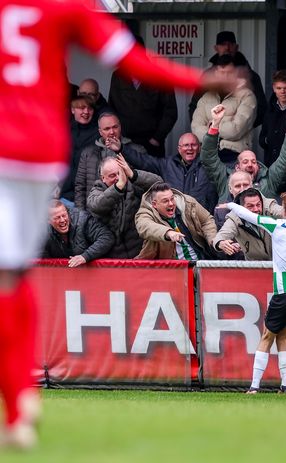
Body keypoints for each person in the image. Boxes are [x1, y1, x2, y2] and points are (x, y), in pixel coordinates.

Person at [0, 0, 215, 449]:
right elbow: (134, 60)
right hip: (40, 150)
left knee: (8, 278)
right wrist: (200, 77)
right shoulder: (65, 9)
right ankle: (20, 405)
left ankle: (18, 401)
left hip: (8, 144)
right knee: (13, 276)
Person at [222, 191, 286, 394]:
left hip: (285, 292)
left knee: (267, 336)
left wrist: (231, 206)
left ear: (285, 211)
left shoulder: (277, 226)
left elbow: (251, 217)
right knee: (284, 336)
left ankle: (254, 386)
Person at [201, 104, 286, 202]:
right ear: (237, 167)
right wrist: (215, 124)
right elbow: (208, 158)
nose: (250, 165)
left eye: (253, 161)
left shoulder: (269, 180)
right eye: (245, 162)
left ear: (258, 166)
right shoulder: (224, 179)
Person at [120, 132, 218, 213]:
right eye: (186, 145)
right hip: (174, 219)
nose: (190, 148)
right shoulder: (167, 164)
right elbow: (143, 160)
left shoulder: (208, 165)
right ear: (179, 149)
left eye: (193, 145)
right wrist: (121, 148)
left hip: (200, 220)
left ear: (199, 148)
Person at [87, 156, 163, 259]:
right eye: (112, 175)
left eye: (119, 173)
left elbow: (158, 184)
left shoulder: (133, 184)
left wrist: (132, 174)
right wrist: (118, 188)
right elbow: (96, 206)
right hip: (112, 256)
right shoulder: (97, 190)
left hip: (139, 252)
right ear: (103, 178)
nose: (118, 178)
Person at [192, 54, 257, 165]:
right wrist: (222, 128)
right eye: (222, 73)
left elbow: (235, 130)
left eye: (229, 73)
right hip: (208, 154)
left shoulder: (247, 96)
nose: (225, 77)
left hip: (235, 155)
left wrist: (212, 127)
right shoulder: (207, 96)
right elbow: (196, 128)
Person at [134, 182, 218, 260]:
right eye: (165, 201)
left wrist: (213, 240)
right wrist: (168, 233)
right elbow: (145, 227)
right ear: (154, 204)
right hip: (171, 268)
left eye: (172, 199)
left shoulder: (187, 202)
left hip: (200, 260)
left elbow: (207, 220)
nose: (171, 203)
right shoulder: (145, 212)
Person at [42, 200, 114, 266]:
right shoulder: (43, 231)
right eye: (57, 218)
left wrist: (85, 256)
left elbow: (107, 237)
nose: (62, 220)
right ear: (48, 221)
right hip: (62, 275)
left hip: (91, 272)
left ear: (67, 212)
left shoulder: (83, 219)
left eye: (64, 215)